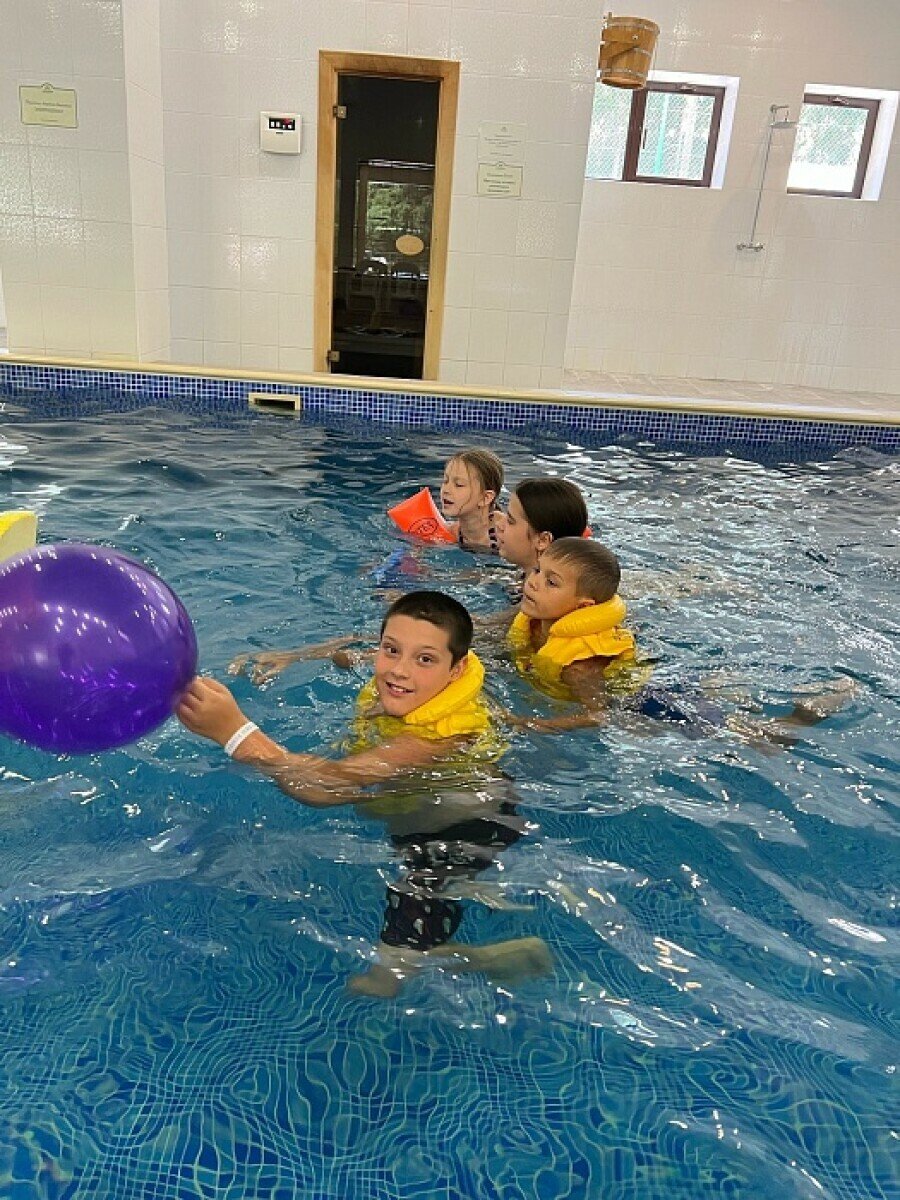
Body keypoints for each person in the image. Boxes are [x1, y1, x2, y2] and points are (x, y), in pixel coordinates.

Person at [178, 590, 551, 997]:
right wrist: (295, 656)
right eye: (391, 649)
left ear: (456, 670)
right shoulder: (407, 688)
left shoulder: (439, 738)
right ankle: (479, 953)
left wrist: (235, 732)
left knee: (387, 972)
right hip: (417, 813)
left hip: (467, 827)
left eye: (425, 659)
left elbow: (328, 787)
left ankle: (465, 964)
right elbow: (350, 651)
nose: (399, 671)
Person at [504, 537, 855, 742]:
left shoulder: (579, 666)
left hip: (648, 702)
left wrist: (534, 724)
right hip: (653, 679)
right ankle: (724, 691)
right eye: (537, 571)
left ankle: (800, 719)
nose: (533, 582)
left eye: (551, 582)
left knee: (754, 738)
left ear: (583, 607)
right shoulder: (538, 624)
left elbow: (600, 715)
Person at [439, 448, 504, 554]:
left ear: (485, 498)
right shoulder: (451, 533)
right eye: (445, 481)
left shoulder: (507, 532)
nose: (446, 490)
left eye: (459, 485)